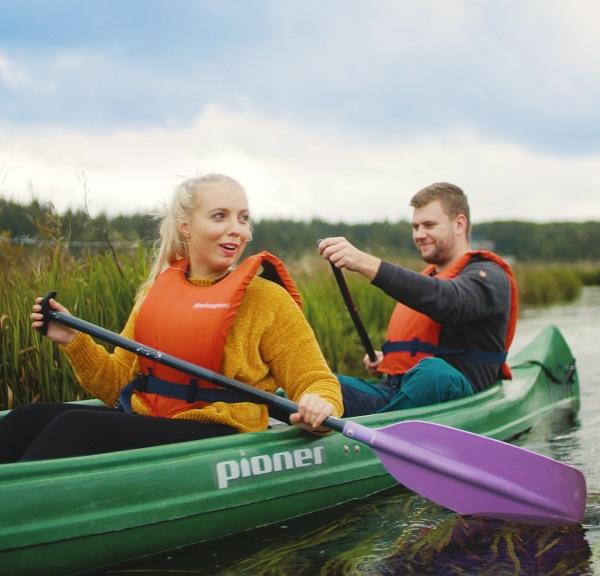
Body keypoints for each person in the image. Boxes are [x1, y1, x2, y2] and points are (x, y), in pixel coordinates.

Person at [0, 174, 342, 463]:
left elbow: (317, 380)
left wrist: (319, 404)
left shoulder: (266, 299)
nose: (237, 229)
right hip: (156, 420)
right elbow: (116, 385)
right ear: (186, 227)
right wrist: (73, 340)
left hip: (223, 432)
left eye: (243, 218)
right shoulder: (156, 293)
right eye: (220, 216)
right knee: (27, 419)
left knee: (73, 428)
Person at [318, 182, 518, 416]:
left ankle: (380, 430)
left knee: (434, 373)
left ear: (459, 224)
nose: (419, 235)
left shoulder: (489, 276)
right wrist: (391, 359)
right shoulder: (431, 277)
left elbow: (450, 302)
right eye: (415, 227)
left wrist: (363, 262)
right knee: (315, 384)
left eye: (429, 225)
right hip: (398, 390)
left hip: (455, 396)